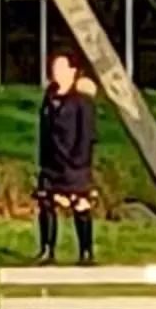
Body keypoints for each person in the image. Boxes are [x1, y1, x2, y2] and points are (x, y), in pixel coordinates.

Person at [35, 46, 99, 263]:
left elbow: (87, 133)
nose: (57, 72)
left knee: (80, 203)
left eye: (62, 67)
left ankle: (86, 252)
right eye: (54, 67)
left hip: (74, 164)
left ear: (73, 71)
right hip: (51, 163)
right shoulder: (49, 97)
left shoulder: (82, 100)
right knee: (46, 203)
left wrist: (78, 161)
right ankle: (47, 250)